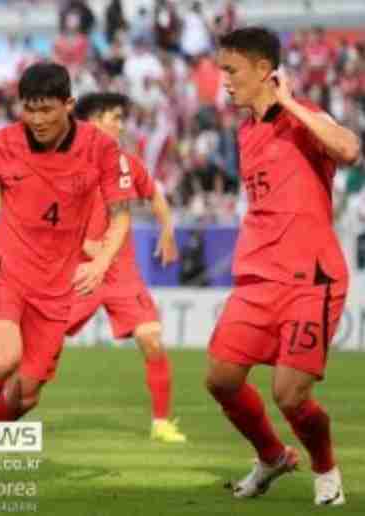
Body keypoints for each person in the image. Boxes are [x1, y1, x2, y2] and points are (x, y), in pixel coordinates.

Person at [0, 62, 136, 483]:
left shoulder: (101, 149)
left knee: (26, 396)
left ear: (69, 105)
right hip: (4, 273)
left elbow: (121, 216)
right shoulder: (2, 143)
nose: (39, 120)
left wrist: (101, 262)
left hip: (56, 288)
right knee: (4, 357)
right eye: (30, 110)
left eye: (47, 110)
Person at [207, 27, 360, 506]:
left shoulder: (302, 116)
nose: (225, 81)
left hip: (310, 277)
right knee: (222, 380)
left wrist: (290, 103)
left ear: (261, 70)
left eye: (232, 71)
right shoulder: (245, 130)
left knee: (290, 395)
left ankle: (326, 471)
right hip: (258, 276)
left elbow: (350, 149)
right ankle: (272, 455)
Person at [68, 92, 186, 443]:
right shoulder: (65, 164)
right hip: (78, 270)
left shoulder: (127, 163)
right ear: (91, 122)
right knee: (36, 354)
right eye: (114, 117)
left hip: (120, 269)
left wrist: (167, 231)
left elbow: (155, 196)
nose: (121, 124)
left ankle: (162, 423)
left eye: (122, 118)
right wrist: (83, 245)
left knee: (151, 338)